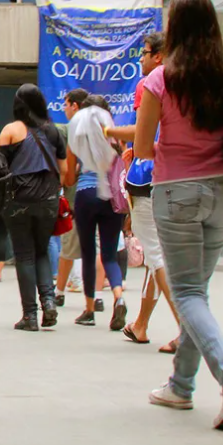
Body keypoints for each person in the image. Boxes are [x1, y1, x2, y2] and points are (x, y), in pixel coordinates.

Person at [136, 0, 223, 429]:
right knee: (196, 293)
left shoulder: (161, 80)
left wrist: (175, 141)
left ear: (175, 30)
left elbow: (144, 148)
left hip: (177, 194)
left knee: (186, 294)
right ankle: (181, 387)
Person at [106, 33, 181, 353]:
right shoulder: (190, 83)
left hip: (148, 177)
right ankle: (141, 324)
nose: (141, 59)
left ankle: (188, 327)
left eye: (146, 53)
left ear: (160, 56)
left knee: (156, 254)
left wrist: (108, 131)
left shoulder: (151, 82)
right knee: (157, 256)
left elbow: (144, 131)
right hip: (182, 176)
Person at [0, 84, 68, 332]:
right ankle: (49, 302)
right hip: (49, 200)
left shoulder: (11, 130)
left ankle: (30, 315)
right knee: (40, 251)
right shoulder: (54, 132)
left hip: (18, 200)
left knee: (25, 255)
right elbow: (65, 172)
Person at [66, 91, 127, 330]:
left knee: (89, 253)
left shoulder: (76, 138)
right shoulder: (116, 138)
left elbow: (70, 178)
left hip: (86, 194)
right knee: (109, 254)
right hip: (112, 198)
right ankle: (119, 296)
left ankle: (89, 309)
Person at [55, 90, 106, 311]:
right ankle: (97, 295)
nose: (63, 109)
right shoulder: (109, 131)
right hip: (106, 195)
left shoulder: (72, 132)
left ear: (76, 106)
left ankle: (58, 293)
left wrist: (64, 180)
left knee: (69, 248)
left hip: (79, 196)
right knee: (99, 248)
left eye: (65, 105)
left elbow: (68, 174)